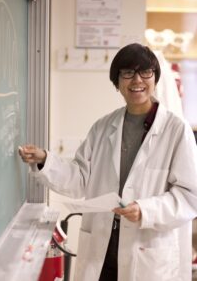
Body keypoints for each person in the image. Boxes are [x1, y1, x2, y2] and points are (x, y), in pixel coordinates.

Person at [19, 43, 197, 281]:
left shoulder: (176, 129)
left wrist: (145, 209)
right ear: (117, 81)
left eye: (145, 72)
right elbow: (80, 178)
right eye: (127, 73)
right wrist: (45, 161)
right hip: (103, 243)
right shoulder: (103, 127)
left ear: (155, 78)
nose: (137, 80)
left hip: (147, 245)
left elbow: (189, 196)